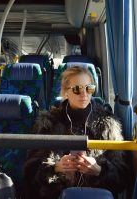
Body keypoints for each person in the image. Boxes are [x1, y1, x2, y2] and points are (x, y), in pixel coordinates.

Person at [23, 66, 131, 199]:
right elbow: (30, 172)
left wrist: (99, 170)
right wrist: (55, 168)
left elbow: (123, 175)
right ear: (65, 92)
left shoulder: (107, 124)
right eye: (77, 89)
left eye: (89, 88)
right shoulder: (47, 123)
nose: (84, 94)